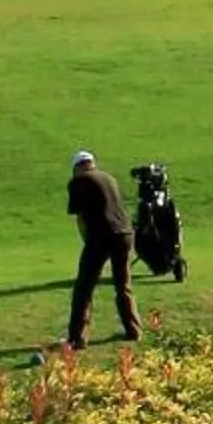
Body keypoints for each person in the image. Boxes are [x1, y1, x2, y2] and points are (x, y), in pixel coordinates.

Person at [65, 148, 142, 348]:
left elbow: (81, 219)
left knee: (84, 286)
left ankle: (77, 337)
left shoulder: (78, 182)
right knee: (123, 284)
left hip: (101, 235)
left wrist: (88, 242)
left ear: (77, 168)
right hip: (125, 234)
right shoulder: (109, 178)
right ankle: (134, 330)